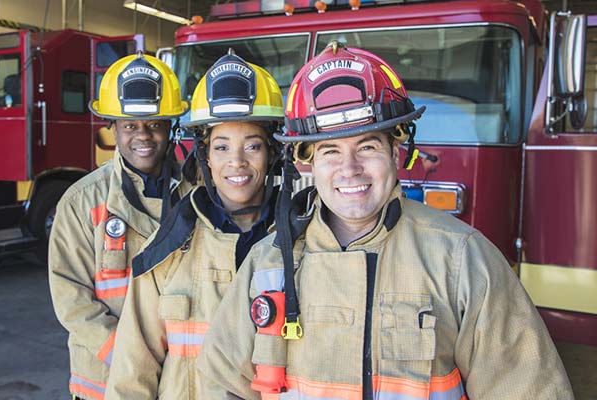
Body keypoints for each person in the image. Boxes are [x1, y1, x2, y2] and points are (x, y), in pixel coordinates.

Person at [197, 42, 574, 399]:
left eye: (367, 146)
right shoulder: (268, 261)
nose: (350, 169)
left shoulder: (461, 259)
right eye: (330, 151)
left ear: (397, 152)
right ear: (306, 162)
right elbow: (221, 383)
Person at [104, 49, 285, 399]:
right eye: (221, 147)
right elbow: (132, 372)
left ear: (272, 153)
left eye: (252, 146)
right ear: (204, 156)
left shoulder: (301, 243)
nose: (237, 162)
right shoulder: (168, 247)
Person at [49, 52, 191, 400]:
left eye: (154, 124)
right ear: (112, 127)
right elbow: (72, 299)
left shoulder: (198, 192)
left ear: (170, 126)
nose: (142, 136)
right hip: (105, 382)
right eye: (129, 126)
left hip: (182, 379)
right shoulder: (82, 200)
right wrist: (131, 359)